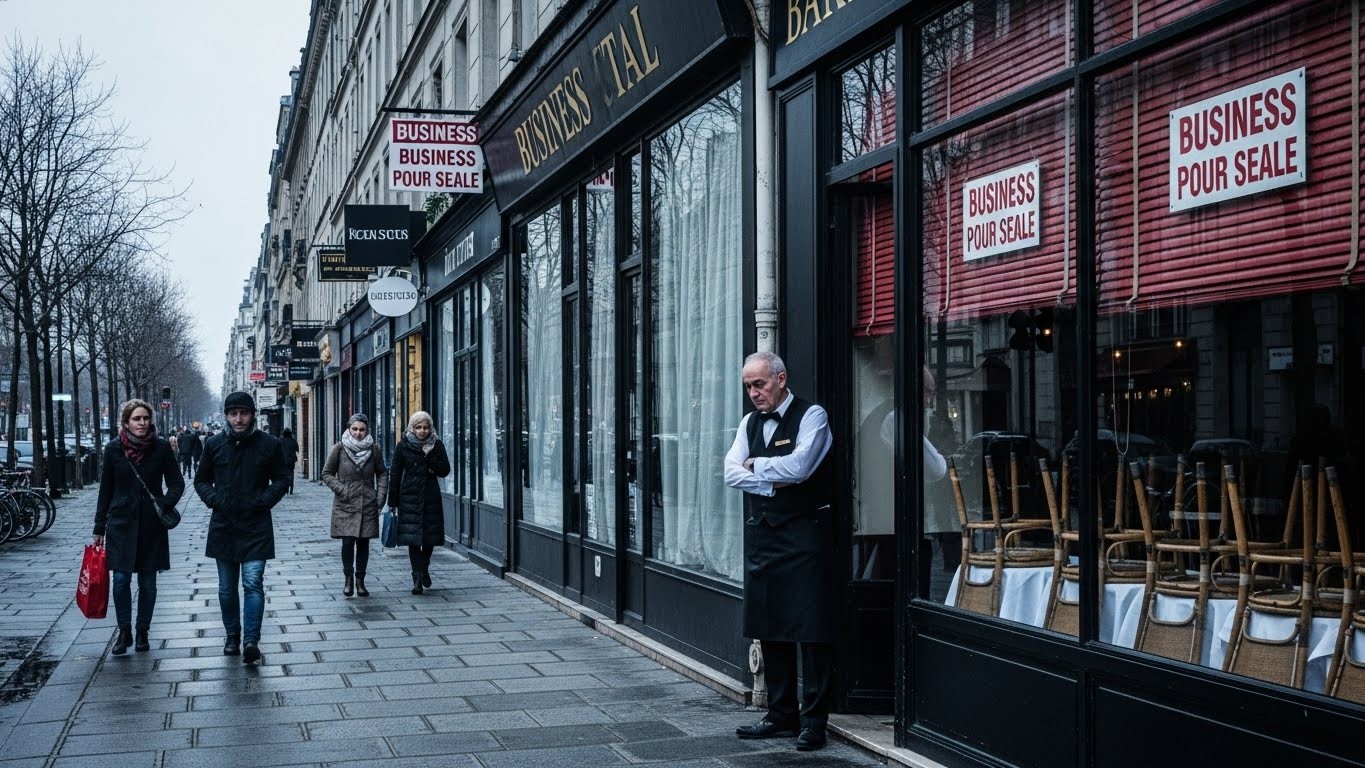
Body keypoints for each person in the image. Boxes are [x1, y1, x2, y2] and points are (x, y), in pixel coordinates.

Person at [724, 351, 836, 752]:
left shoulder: (813, 416)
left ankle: (815, 721)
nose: (754, 393)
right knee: (770, 626)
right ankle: (781, 713)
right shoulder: (748, 422)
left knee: (811, 629)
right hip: (764, 537)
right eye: (748, 387)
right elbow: (730, 472)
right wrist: (773, 479)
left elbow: (803, 466)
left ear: (781, 378)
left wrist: (756, 467)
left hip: (806, 538)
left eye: (760, 384)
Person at [194, 391, 290, 664]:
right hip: (224, 525)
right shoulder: (214, 444)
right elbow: (201, 480)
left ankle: (251, 640)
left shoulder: (268, 444)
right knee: (226, 588)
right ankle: (232, 635)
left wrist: (263, 501)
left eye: (244, 413)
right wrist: (215, 500)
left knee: (252, 583)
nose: (238, 419)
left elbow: (282, 479)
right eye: (233, 413)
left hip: (256, 525)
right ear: (226, 415)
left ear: (252, 415)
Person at [93, 399, 184, 656]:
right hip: (120, 524)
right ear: (126, 422)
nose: (142, 423)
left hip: (151, 524)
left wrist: (165, 504)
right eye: (136, 419)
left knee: (148, 582)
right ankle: (124, 632)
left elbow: (177, 482)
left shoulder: (162, 447)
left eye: (145, 418)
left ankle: (143, 631)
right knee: (120, 580)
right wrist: (99, 526)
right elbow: (105, 489)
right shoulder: (113, 449)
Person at [321, 414, 388, 598]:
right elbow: (326, 473)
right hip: (345, 504)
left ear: (367, 431)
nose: (358, 433)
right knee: (348, 541)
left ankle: (361, 581)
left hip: (367, 502)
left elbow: (382, 473)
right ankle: (348, 579)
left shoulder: (374, 449)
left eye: (362, 429)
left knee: (364, 543)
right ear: (349, 429)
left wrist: (380, 497)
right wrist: (342, 490)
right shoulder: (339, 448)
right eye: (355, 429)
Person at [387, 411, 450, 595]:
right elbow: (396, 473)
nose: (422, 431)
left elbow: (445, 470)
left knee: (429, 539)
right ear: (412, 428)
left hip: (430, 497)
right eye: (418, 427)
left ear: (431, 428)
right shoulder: (403, 446)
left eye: (426, 427)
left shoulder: (436, 445)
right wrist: (393, 500)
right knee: (413, 540)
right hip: (410, 497)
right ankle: (416, 578)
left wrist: (430, 459)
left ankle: (424, 568)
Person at [279, 428, 299, 494]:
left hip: (283, 461)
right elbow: (297, 449)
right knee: (291, 473)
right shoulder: (293, 440)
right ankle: (291, 488)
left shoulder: (280, 440)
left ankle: (286, 488)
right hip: (291, 460)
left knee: (284, 474)